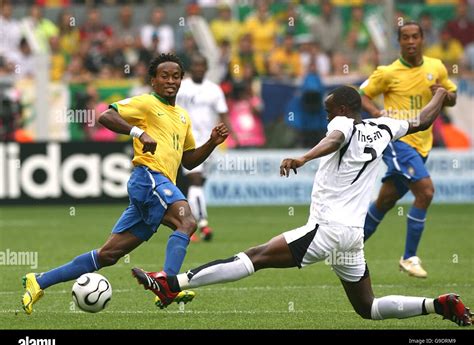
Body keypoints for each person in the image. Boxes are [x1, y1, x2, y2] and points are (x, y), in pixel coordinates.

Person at [130, 86, 471, 327]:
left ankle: (172, 283)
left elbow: (334, 138)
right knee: (368, 308)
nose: (326, 118)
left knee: (255, 257)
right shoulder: (384, 127)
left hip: (327, 228)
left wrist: (304, 157)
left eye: (327, 112)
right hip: (352, 235)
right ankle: (436, 305)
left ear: (341, 110)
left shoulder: (342, 122)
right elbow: (423, 121)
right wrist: (440, 93)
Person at [21, 54, 229, 314]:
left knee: (108, 255)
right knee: (187, 222)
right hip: (149, 177)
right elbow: (106, 116)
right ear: (153, 81)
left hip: (158, 185)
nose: (170, 81)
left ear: (181, 80)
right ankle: (168, 284)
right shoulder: (146, 103)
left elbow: (188, 161)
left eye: (176, 76)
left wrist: (211, 143)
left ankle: (39, 281)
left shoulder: (182, 117)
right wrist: (138, 132)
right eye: (164, 76)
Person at [359, 21, 457, 278]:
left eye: (415, 36)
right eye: (405, 37)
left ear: (423, 39)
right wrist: (378, 113)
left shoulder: (435, 67)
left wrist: (444, 95)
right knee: (426, 191)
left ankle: (349, 247)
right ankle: (409, 257)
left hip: (423, 144)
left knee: (385, 200)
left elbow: (452, 96)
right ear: (399, 42)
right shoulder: (387, 72)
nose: (411, 41)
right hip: (397, 141)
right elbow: (362, 95)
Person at [176, 53, 234, 242]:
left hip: (211, 142)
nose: (199, 68)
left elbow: (223, 114)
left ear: (206, 68)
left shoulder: (214, 90)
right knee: (196, 180)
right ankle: (202, 224)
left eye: (202, 66)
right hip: (188, 142)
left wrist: (232, 135)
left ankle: (188, 223)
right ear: (191, 68)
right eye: (196, 65)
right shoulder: (181, 87)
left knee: (200, 183)